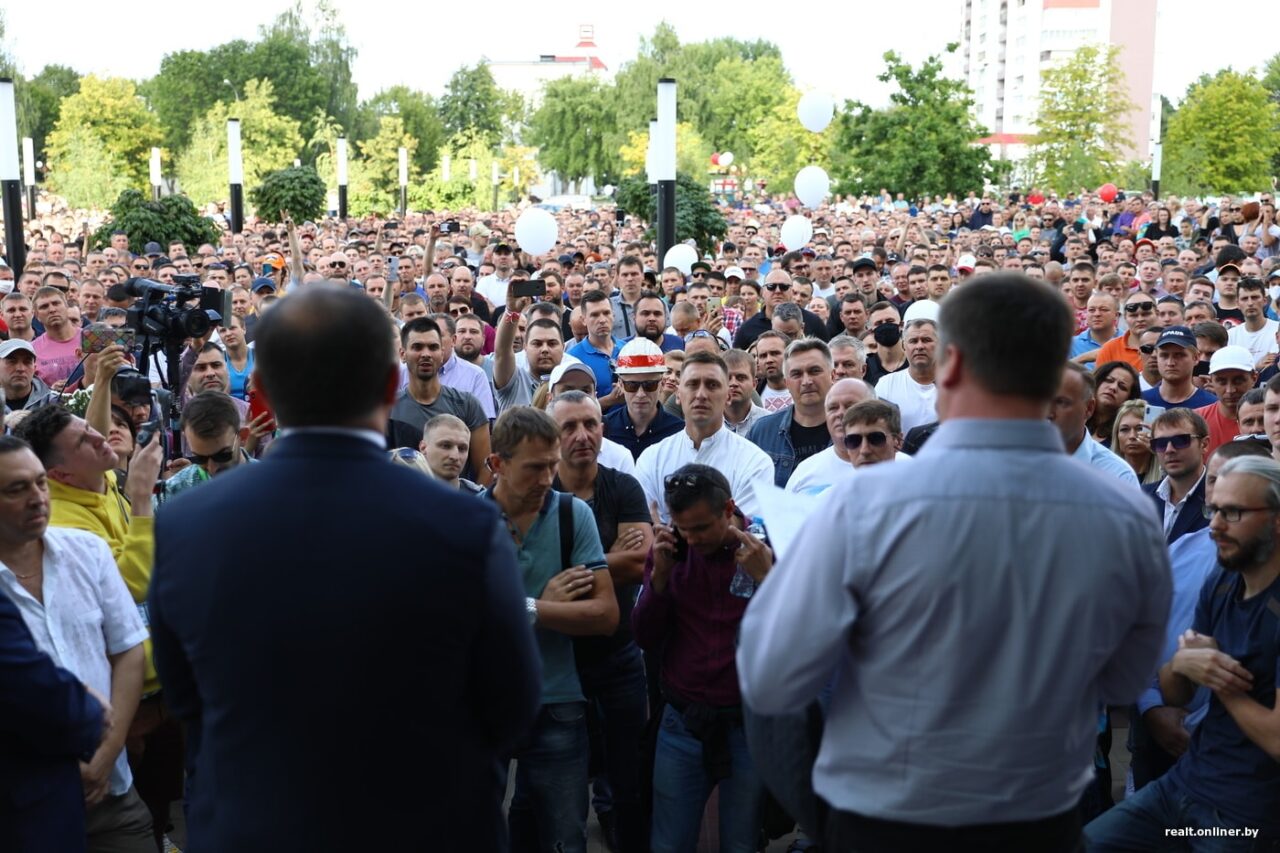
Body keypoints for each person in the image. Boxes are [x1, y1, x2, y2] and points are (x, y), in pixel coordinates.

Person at [738, 273, 1171, 853]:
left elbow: (770, 677)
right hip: (1038, 817)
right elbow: (1121, 680)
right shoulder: (1127, 514)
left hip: (883, 816)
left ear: (952, 364)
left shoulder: (865, 505)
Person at [147, 286, 541, 851]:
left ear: (259, 391)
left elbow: (186, 701)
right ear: (389, 385)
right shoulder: (465, 527)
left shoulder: (186, 524)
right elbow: (511, 703)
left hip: (255, 827)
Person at [1085, 455, 1280, 850]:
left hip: (1245, 814)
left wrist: (1222, 685)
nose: (1215, 525)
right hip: (1184, 783)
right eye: (1214, 509)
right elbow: (1177, 692)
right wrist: (1180, 665)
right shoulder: (1224, 579)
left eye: (1234, 513)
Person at [484, 406, 618, 853]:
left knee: (566, 839)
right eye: (534, 468)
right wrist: (546, 606)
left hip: (558, 702)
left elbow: (605, 615)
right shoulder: (467, 520)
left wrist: (527, 608)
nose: (547, 479)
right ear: (496, 464)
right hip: (486, 705)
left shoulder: (570, 514)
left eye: (552, 465)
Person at [632, 463, 775, 852]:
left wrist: (768, 580)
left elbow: (799, 637)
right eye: (683, 529)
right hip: (684, 722)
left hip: (749, 724)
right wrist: (659, 579)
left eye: (701, 528)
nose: (691, 540)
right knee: (670, 842)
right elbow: (644, 635)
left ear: (729, 509)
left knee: (741, 841)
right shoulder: (670, 551)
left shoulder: (766, 547)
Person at [1127, 439, 1269, 793]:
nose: (1221, 493)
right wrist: (1151, 707)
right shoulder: (1178, 553)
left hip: (1250, 774)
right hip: (1163, 745)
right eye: (1214, 481)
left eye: (1235, 483)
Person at [547, 391, 652, 851]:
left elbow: (640, 562)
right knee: (555, 775)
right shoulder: (540, 490)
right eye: (569, 427)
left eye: (590, 424)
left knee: (627, 773)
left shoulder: (623, 486)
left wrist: (567, 567)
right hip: (557, 655)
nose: (582, 435)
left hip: (618, 650)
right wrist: (612, 559)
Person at [635, 351, 775, 523]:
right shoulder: (652, 459)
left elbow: (745, 532)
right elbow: (643, 527)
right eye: (692, 384)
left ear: (728, 396)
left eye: (712, 385)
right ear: (678, 395)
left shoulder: (755, 462)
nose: (701, 394)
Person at [387, 316, 491, 484]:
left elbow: (484, 469)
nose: (426, 354)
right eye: (417, 347)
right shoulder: (387, 408)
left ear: (442, 353)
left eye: (433, 347)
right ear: (402, 354)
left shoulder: (468, 405)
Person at [748, 338, 835, 486]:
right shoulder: (762, 432)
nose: (806, 381)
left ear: (832, 376)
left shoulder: (853, 431)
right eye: (796, 374)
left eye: (814, 371)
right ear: (787, 382)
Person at [1048, 363, 1141, 486]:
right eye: (1041, 401)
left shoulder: (1118, 475)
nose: (1048, 411)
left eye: (1061, 402)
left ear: (1088, 408)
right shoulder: (1016, 460)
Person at [785, 378, 883, 494]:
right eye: (833, 408)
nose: (840, 413)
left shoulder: (902, 468)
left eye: (850, 406)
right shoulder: (805, 473)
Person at [155, 392, 254, 506]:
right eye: (201, 458)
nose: (212, 468)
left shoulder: (270, 483)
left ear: (243, 436)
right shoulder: (172, 493)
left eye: (222, 455)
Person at [604, 338, 684, 460]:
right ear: (620, 384)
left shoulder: (679, 432)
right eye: (632, 385)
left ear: (661, 384)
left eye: (649, 385)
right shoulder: (605, 429)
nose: (640, 394)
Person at [1143, 407, 1210, 544]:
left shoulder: (1220, 499)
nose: (1169, 450)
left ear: (1204, 444)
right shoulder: (1141, 497)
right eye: (1160, 444)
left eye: (1180, 440)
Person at [873, 318, 938, 435]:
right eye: (913, 341)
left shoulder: (958, 386)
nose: (919, 346)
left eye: (926, 340)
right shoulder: (886, 385)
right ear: (903, 346)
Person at [1195, 345, 1256, 456]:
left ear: (1254, 378)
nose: (1230, 390)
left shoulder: (1273, 419)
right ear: (1211, 380)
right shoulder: (1195, 421)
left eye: (1238, 381)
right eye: (1222, 381)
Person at [1140, 326, 1218, 409]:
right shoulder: (1141, 402)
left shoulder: (1211, 405)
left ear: (1195, 358)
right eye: (1164, 355)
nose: (1170, 363)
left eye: (1179, 355)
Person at [419, 413, 485, 494]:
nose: (455, 456)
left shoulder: (479, 499)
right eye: (446, 446)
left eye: (462, 449)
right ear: (423, 448)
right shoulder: (403, 494)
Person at [1111, 400, 1163, 485]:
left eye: (1139, 429)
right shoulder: (1104, 473)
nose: (1132, 436)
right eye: (1124, 429)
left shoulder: (1166, 477)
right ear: (1116, 435)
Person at [0, 339, 53, 413]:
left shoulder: (53, 402)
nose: (20, 368)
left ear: (34, 368)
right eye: (12, 362)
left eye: (27, 362)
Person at [722, 350, 767, 437]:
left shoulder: (771, 424)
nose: (733, 383)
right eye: (727, 378)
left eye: (741, 377)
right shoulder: (705, 426)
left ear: (754, 384)